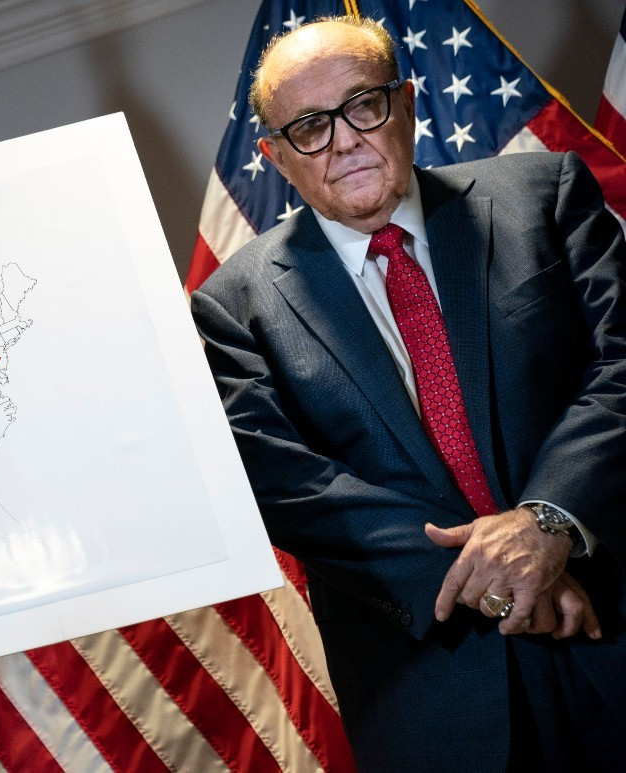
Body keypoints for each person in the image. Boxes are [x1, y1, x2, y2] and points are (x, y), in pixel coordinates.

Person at [190, 15, 626, 772]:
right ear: (275, 158)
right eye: (308, 128)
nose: (345, 140)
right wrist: (493, 578)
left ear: (407, 104)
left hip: (607, 619)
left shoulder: (543, 192)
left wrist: (550, 521)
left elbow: (621, 366)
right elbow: (293, 488)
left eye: (364, 105)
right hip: (432, 690)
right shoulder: (233, 305)